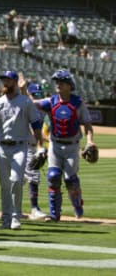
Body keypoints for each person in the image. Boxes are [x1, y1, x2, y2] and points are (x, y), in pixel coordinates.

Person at [0, 70, 43, 230]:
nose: (5, 83)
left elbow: (36, 123)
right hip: (2, 147)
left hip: (20, 146)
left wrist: (40, 146)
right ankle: (6, 219)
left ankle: (16, 216)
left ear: (14, 82)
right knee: (5, 185)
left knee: (16, 180)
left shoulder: (25, 102)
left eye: (8, 80)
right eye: (3, 80)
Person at [32, 70, 95, 222]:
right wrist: (22, 92)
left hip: (72, 146)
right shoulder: (51, 101)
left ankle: (77, 204)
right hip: (55, 144)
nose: (58, 84)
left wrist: (90, 141)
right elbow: (32, 103)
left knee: (70, 180)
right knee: (53, 177)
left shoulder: (77, 103)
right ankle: (54, 214)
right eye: (57, 82)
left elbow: (87, 124)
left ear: (69, 85)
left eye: (61, 82)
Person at [24, 82, 48, 220]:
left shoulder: (41, 110)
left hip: (33, 146)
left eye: (39, 95)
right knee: (30, 177)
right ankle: (34, 209)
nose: (37, 97)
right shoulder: (27, 107)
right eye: (35, 95)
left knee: (24, 179)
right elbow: (34, 130)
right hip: (25, 146)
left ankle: (13, 209)